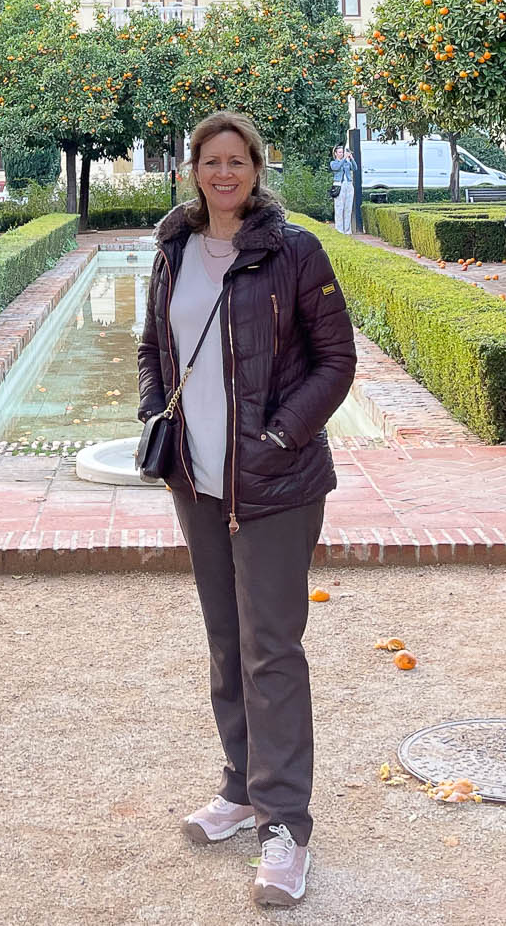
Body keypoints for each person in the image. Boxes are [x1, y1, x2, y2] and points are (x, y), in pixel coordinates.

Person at [139, 110, 357, 909]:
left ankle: (285, 827)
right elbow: (151, 348)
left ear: (257, 169)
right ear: (191, 169)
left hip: (274, 486)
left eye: (236, 162)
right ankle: (239, 788)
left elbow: (337, 361)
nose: (222, 174)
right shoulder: (172, 249)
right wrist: (154, 416)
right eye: (209, 161)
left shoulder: (292, 249)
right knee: (226, 644)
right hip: (196, 484)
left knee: (271, 651)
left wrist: (275, 436)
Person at [329, 143, 355, 235]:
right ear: (335, 153)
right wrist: (344, 159)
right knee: (339, 207)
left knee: (348, 208)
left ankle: (347, 230)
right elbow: (337, 167)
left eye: (342, 152)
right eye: (339, 152)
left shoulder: (346, 162)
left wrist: (351, 158)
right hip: (339, 185)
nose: (341, 154)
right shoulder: (333, 163)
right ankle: (339, 229)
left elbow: (355, 168)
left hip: (348, 184)